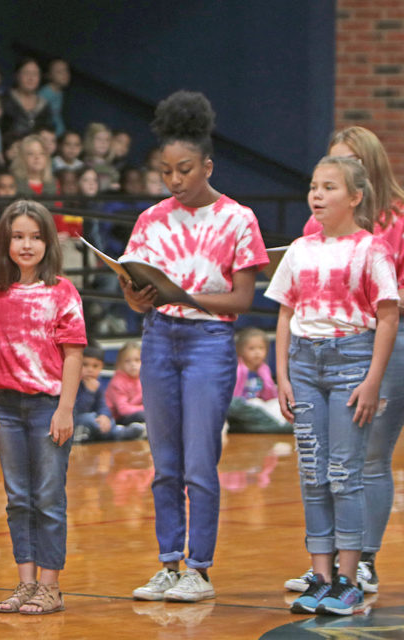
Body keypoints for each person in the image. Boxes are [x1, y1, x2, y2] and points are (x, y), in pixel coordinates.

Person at [121, 91, 268, 603]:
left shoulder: (238, 219)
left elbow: (244, 298)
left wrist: (186, 296)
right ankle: (168, 563)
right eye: (166, 171)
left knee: (199, 462)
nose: (175, 180)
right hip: (158, 335)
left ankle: (199, 571)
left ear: (208, 165)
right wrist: (138, 297)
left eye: (185, 169)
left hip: (209, 341)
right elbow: (137, 290)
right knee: (163, 462)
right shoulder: (150, 220)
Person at [266, 155, 398, 615]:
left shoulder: (371, 249)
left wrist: (372, 379)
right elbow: (285, 311)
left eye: (329, 187)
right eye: (313, 186)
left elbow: (387, 315)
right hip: (304, 364)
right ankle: (319, 578)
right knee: (312, 474)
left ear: (356, 197)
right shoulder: (301, 248)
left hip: (351, 361)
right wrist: (282, 375)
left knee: (345, 474)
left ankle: (348, 579)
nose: (317, 195)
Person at [0, 200, 85, 615]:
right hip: (5, 406)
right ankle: (25, 583)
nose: (26, 245)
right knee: (17, 497)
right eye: (18, 236)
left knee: (48, 496)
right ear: (5, 241)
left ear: (49, 242)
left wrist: (65, 409)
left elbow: (74, 354)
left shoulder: (62, 291)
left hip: (47, 406)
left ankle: (50, 585)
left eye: (36, 237)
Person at [74, 343, 145, 443]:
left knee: (106, 421)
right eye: (85, 365)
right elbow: (78, 409)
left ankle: (116, 432)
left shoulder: (96, 383)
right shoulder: (74, 384)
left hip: (96, 419)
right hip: (79, 419)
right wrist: (89, 392)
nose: (90, 370)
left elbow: (103, 405)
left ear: (101, 367)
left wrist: (104, 416)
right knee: (90, 419)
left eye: (95, 366)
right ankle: (118, 432)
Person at [226, 328, 291, 434]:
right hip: (244, 405)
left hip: (260, 404)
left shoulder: (264, 369)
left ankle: (281, 423)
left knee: (277, 404)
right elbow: (234, 396)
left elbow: (269, 395)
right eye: (251, 349)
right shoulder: (238, 369)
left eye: (261, 348)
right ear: (240, 350)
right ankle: (279, 426)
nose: (257, 352)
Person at [1, 58, 53, 140]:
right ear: (17, 75)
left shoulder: (44, 106)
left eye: (35, 74)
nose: (31, 78)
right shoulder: (4, 100)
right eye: (26, 73)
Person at [104, 342, 146, 426]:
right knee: (144, 415)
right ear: (120, 364)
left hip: (137, 413)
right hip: (117, 419)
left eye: (137, 360)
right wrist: (146, 409)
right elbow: (123, 410)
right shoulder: (117, 382)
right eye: (127, 361)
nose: (133, 364)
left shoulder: (144, 378)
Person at [38, 58, 70, 136]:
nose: (65, 74)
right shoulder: (44, 94)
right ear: (49, 75)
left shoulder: (60, 93)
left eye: (66, 70)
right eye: (59, 72)